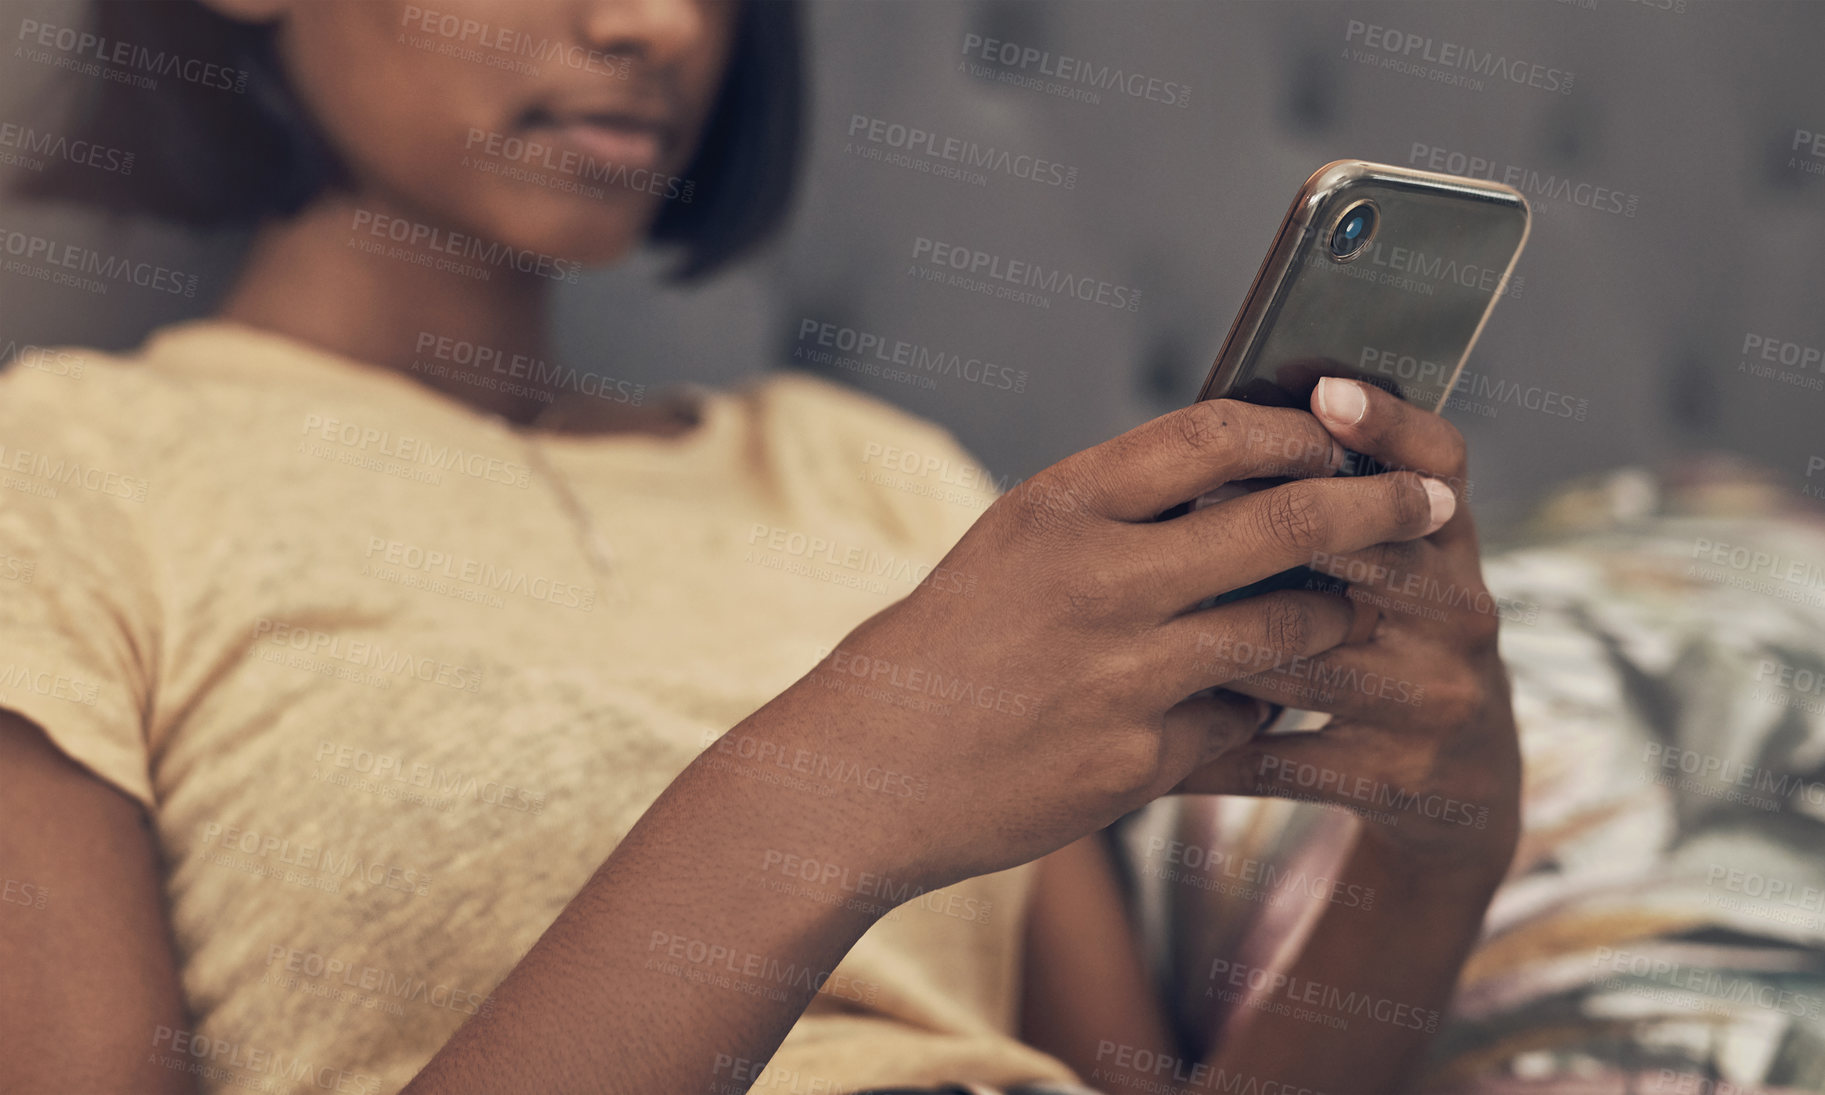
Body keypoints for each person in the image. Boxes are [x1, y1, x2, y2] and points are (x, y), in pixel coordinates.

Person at [0, 2, 1520, 1093]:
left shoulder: (872, 476)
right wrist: (828, 792)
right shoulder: (66, 470)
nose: (658, 25)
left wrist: (1434, 857)